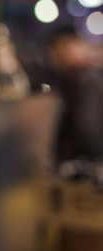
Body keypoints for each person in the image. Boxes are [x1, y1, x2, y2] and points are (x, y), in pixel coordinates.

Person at [49, 26, 103, 168]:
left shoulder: (85, 79)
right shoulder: (75, 78)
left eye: (58, 52)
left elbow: (88, 128)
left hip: (81, 166)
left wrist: (70, 159)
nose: (55, 58)